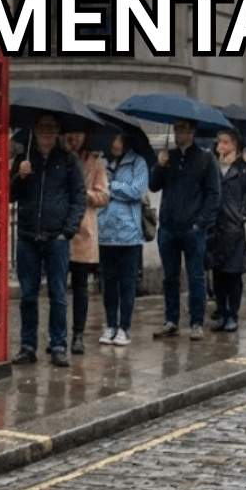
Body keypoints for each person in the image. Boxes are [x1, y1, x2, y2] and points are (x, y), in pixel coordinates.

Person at [10, 113, 87, 366]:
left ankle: (57, 345)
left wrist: (68, 231)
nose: (46, 134)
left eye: (52, 129)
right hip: (28, 236)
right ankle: (28, 345)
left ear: (58, 132)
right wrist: (19, 177)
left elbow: (79, 198)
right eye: (42, 128)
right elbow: (9, 195)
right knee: (28, 296)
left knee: (58, 295)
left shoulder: (68, 161)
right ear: (34, 130)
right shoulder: (24, 160)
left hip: (56, 238)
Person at [150, 119, 220, 340]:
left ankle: (196, 322)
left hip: (193, 229)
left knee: (196, 277)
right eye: (179, 128)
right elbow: (153, 185)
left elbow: (214, 194)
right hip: (169, 228)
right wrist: (158, 166)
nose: (182, 132)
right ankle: (171, 321)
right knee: (170, 278)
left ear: (193, 131)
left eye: (186, 129)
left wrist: (201, 223)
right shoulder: (168, 157)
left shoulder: (205, 157)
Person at [97, 134, 148, 345]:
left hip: (129, 235)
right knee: (108, 284)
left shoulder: (138, 162)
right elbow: (97, 191)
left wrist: (112, 187)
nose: (115, 144)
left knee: (127, 284)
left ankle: (124, 328)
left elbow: (137, 191)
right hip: (105, 233)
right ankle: (110, 325)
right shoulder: (102, 163)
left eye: (119, 139)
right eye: (113, 139)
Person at [208, 130, 246, 333]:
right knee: (217, 274)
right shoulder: (213, 168)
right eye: (219, 141)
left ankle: (232, 315)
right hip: (215, 229)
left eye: (225, 142)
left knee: (233, 275)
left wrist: (242, 217)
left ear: (235, 146)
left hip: (235, 230)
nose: (221, 145)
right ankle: (221, 312)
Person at [63, 131, 110, 351]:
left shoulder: (95, 163)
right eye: (72, 134)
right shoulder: (59, 158)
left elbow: (103, 196)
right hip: (60, 231)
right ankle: (58, 336)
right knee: (57, 288)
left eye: (80, 135)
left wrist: (83, 193)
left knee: (81, 288)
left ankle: (78, 336)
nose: (75, 138)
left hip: (84, 232)